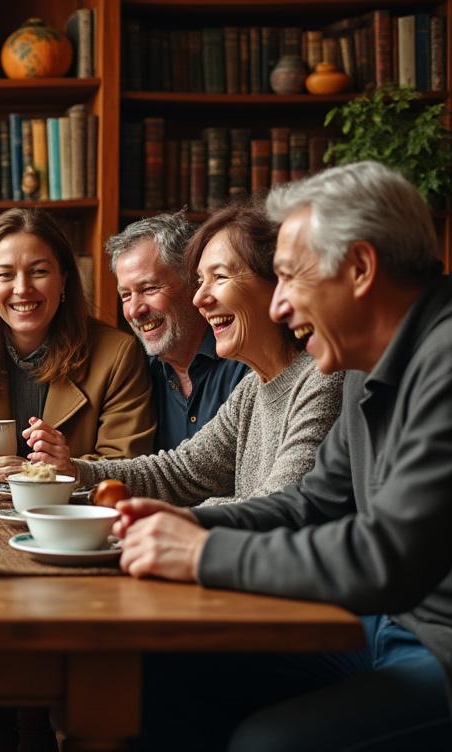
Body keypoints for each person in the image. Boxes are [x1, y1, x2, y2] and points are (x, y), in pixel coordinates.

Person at [123, 162, 452, 750]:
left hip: (439, 648)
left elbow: (389, 554)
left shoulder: (445, 360)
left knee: (270, 742)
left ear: (359, 269)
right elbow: (310, 501)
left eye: (291, 278)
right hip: (378, 629)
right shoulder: (362, 362)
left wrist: (203, 551)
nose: (279, 307)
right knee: (152, 675)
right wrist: (188, 522)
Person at [33, 205, 344, 507]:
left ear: (278, 285)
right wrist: (76, 471)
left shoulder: (322, 379)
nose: (200, 298)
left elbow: (280, 507)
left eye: (219, 278)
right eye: (200, 280)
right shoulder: (252, 391)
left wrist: (171, 518)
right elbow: (180, 472)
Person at [0, 208, 154, 473]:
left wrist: (47, 473)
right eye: (5, 275)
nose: (22, 289)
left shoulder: (117, 354)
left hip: (73, 512)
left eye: (39, 271)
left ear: (63, 280)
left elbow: (129, 468)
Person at [108, 212, 249, 452]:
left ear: (195, 282)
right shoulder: (134, 375)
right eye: (126, 295)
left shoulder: (246, 363)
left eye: (149, 288)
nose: (135, 310)